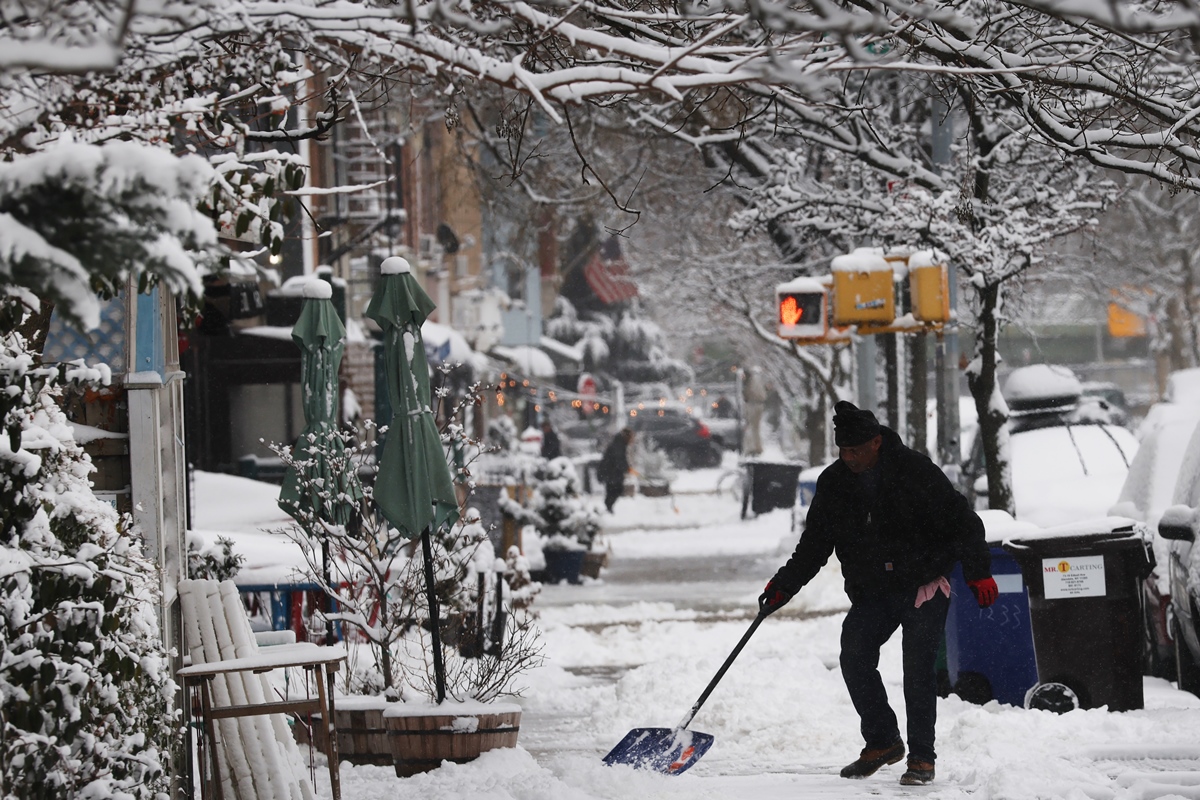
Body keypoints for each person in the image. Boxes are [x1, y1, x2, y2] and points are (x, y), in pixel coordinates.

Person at [759, 400, 995, 787]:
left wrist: (979, 573)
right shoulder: (835, 483)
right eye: (843, 450)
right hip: (874, 590)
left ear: (876, 443)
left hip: (923, 585)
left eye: (856, 450)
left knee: (918, 669)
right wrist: (783, 585)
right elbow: (815, 544)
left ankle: (921, 758)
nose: (849, 458)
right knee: (853, 655)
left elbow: (963, 522)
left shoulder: (915, 471)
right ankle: (883, 741)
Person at [597, 428, 634, 513]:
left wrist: (626, 467)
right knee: (615, 489)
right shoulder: (619, 445)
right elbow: (619, 459)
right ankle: (608, 507)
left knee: (613, 490)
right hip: (611, 472)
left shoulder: (620, 443)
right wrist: (626, 468)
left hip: (611, 472)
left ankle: (608, 507)